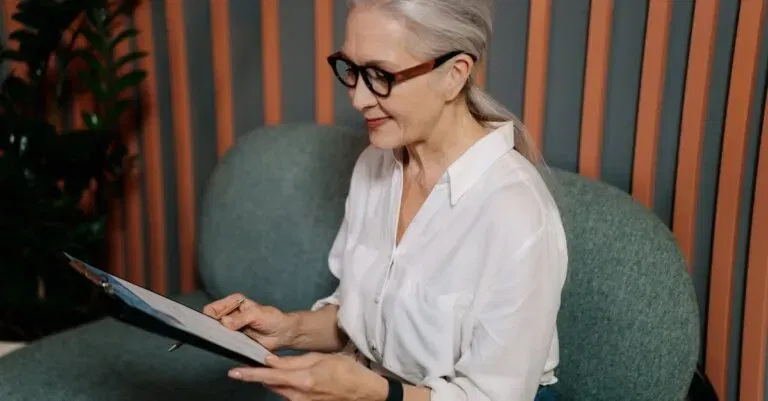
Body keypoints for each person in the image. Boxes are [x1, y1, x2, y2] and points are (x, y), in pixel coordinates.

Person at [203, 1, 568, 400]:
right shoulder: (375, 165)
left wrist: (376, 393)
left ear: (454, 75)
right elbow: (362, 319)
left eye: (380, 75)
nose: (358, 99)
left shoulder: (517, 213)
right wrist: (289, 328)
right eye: (351, 70)